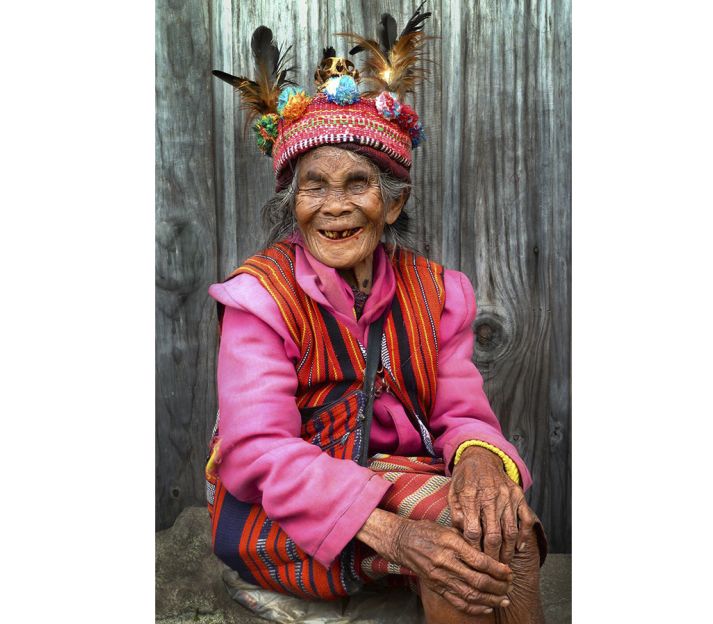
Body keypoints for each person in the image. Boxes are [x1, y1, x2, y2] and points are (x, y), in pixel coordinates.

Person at [206, 7, 546, 623]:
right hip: (283, 512)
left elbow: (462, 412)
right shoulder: (260, 296)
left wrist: (478, 461)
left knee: (504, 531)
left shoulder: (434, 291)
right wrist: (396, 536)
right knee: (454, 544)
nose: (334, 208)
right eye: (314, 186)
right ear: (293, 201)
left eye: (357, 183)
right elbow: (257, 452)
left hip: (401, 479)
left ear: (393, 203)